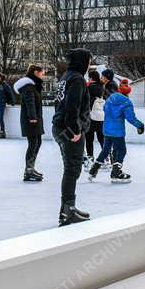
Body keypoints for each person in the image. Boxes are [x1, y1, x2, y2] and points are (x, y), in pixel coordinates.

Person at [52, 48, 94, 226]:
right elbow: (72, 106)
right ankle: (68, 210)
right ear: (82, 61)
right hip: (69, 130)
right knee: (72, 169)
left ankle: (67, 209)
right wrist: (75, 130)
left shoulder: (66, 76)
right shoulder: (76, 79)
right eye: (89, 61)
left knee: (71, 168)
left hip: (60, 127)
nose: (90, 64)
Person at [88, 81, 144, 183]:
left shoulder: (110, 98)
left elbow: (104, 109)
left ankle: (93, 170)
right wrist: (140, 125)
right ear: (128, 92)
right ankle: (116, 173)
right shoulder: (126, 102)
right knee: (121, 150)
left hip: (106, 129)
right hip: (117, 132)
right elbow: (130, 118)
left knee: (106, 150)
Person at [16, 65, 46, 182]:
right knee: (33, 143)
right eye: (42, 73)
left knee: (37, 142)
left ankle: (30, 168)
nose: (43, 75)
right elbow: (30, 103)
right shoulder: (28, 87)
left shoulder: (33, 86)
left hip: (35, 119)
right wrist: (32, 117)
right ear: (35, 72)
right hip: (31, 120)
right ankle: (28, 170)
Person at [85, 69, 105, 168]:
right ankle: (106, 157)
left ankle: (90, 157)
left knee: (89, 138)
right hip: (100, 116)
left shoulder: (89, 88)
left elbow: (85, 102)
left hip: (91, 116)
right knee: (101, 137)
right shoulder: (101, 87)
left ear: (91, 78)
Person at [0, 73, 15, 139]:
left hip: (1, 104)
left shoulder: (5, 85)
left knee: (0, 118)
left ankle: (3, 132)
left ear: (0, 78)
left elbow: (10, 93)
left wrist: (12, 102)